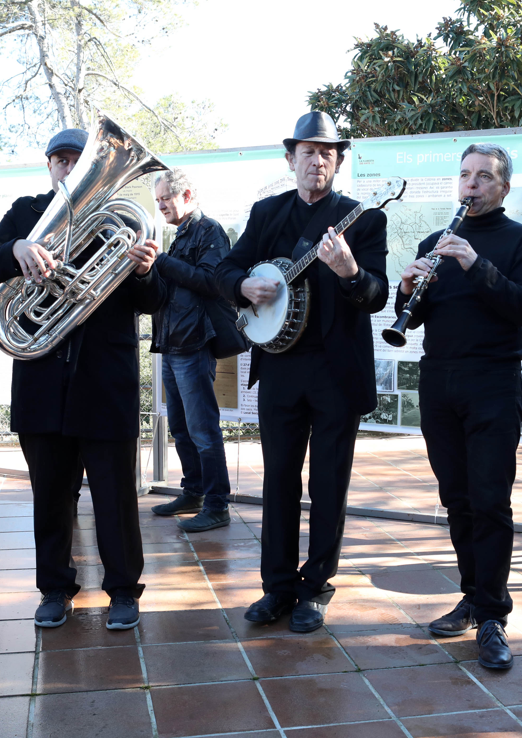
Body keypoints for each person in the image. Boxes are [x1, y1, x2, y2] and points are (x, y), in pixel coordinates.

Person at [0, 128, 164, 631]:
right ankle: (54, 589)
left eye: (77, 159)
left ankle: (123, 591)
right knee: (50, 497)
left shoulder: (124, 219)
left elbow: (153, 301)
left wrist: (145, 272)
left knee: (115, 497)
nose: (68, 167)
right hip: (41, 382)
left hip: (106, 382)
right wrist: (17, 249)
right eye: (60, 159)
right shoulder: (26, 212)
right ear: (49, 166)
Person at [214, 112, 388, 633]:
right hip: (281, 367)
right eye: (308, 152)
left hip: (337, 371)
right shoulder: (267, 213)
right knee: (279, 479)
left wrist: (350, 272)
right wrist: (242, 286)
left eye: (327, 153)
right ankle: (277, 586)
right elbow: (225, 270)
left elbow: (376, 296)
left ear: (338, 162)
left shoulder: (363, 219)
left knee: (329, 482)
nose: (318, 161)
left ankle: (316, 587)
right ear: (291, 159)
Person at [394, 143, 522, 670]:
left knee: (490, 501)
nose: (471, 184)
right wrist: (407, 289)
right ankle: (472, 596)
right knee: (456, 499)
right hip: (439, 382)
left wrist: (476, 264)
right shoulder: (435, 242)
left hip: (492, 383)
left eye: (483, 176)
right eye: (465, 175)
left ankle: (493, 615)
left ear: (504, 187)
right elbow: (413, 317)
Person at [148, 168, 244, 532]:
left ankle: (217, 505)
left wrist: (160, 261)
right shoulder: (181, 235)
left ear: (186, 195)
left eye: (165, 199)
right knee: (180, 426)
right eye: (157, 200)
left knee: (203, 429)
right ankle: (193, 492)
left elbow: (211, 282)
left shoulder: (209, 230)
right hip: (173, 343)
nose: (160, 206)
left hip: (194, 344)